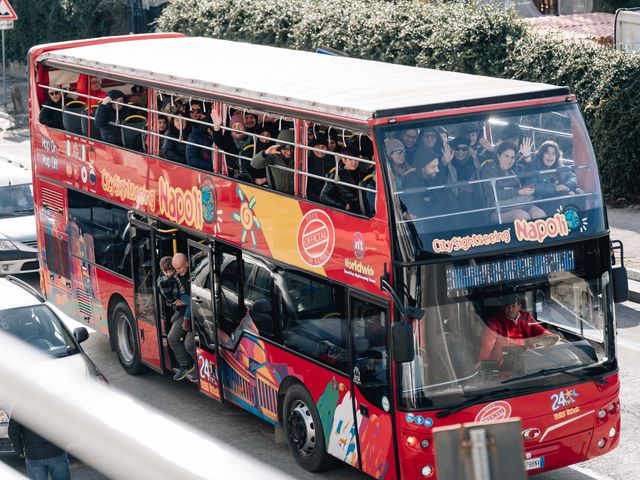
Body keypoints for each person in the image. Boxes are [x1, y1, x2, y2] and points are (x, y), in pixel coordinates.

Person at [478, 295, 558, 364]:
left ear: (519, 306)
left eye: (513, 306)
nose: (510, 310)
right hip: (504, 361)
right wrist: (483, 361)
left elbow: (540, 330)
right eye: (507, 307)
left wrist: (550, 336)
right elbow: (488, 342)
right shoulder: (495, 322)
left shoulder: (526, 317)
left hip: (528, 357)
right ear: (503, 307)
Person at [480, 141, 546, 223]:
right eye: (506, 156)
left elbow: (532, 173)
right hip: (497, 210)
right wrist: (519, 192)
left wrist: (526, 156)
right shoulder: (488, 171)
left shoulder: (514, 168)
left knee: (540, 214)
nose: (509, 160)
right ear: (498, 156)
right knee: (522, 217)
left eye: (512, 157)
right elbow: (494, 194)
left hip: (519, 203)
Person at [158, 253, 197, 382]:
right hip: (183, 310)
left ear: (187, 264)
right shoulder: (173, 275)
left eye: (179, 268)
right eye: (175, 269)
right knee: (172, 337)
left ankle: (198, 367)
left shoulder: (194, 274)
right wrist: (174, 302)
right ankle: (185, 365)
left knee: (189, 344)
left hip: (197, 313)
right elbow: (165, 288)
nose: (176, 272)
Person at [319, 146, 367, 214]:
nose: (354, 162)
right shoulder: (336, 175)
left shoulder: (362, 172)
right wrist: (343, 205)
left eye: (356, 159)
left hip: (363, 209)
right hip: (349, 212)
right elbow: (323, 196)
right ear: (344, 160)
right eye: (350, 159)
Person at [251, 129, 296, 194]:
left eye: (292, 149)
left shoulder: (299, 156)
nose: (289, 153)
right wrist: (266, 152)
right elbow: (254, 164)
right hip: (278, 193)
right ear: (279, 147)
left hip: (296, 195)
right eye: (286, 149)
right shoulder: (274, 156)